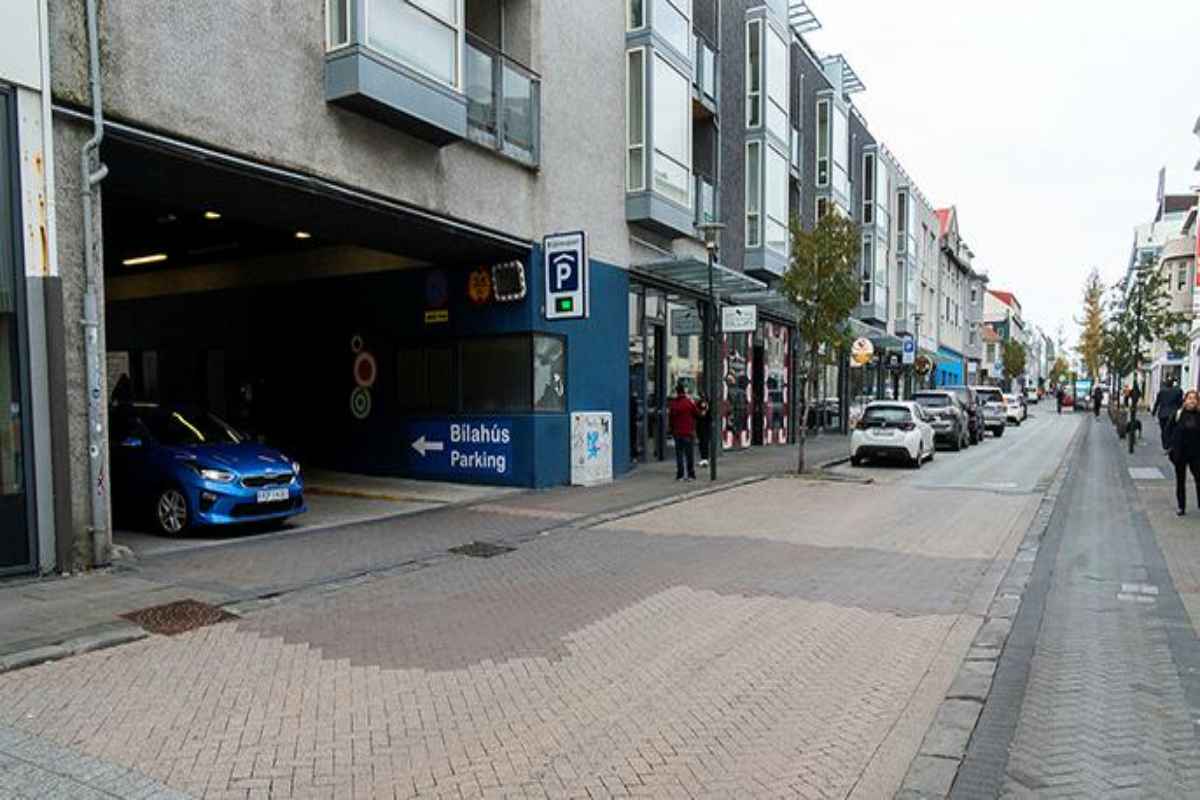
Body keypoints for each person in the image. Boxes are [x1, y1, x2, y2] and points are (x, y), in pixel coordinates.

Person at [1170, 389, 1200, 516]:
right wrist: (1168, 446)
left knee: (1199, 479)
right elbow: (1168, 429)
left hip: (1197, 453)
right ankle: (1181, 506)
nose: (1191, 401)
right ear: (1185, 400)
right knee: (1180, 480)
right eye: (1189, 398)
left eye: (1194, 398)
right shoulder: (1178, 414)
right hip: (1180, 453)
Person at [667, 382, 698, 481]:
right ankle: (690, 474)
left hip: (678, 433)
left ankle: (680, 474)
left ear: (677, 392)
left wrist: (671, 430)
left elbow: (671, 419)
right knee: (689, 455)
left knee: (679, 455)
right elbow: (696, 413)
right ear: (684, 392)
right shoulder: (689, 403)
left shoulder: (674, 404)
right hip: (688, 432)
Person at [1153, 378, 1184, 452]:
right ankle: (1171, 444)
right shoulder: (1178, 391)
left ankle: (1165, 445)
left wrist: (1154, 411)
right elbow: (1180, 402)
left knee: (1164, 430)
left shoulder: (1161, 391)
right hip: (1173, 413)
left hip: (1162, 413)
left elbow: (1157, 402)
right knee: (1172, 429)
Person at [696, 393, 712, 468]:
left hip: (703, 426)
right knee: (703, 442)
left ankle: (704, 458)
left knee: (703, 443)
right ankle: (704, 458)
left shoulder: (703, 404)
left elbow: (703, 414)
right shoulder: (704, 404)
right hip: (704, 426)